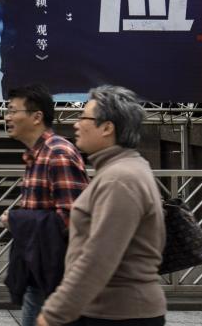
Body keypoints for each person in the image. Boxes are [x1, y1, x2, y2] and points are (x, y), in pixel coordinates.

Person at [37, 86, 166, 326]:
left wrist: (54, 314)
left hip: (119, 315)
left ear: (107, 128)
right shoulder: (123, 170)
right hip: (108, 311)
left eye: (84, 117)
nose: (76, 124)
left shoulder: (120, 179)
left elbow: (98, 258)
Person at [2, 84, 89, 326]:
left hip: (55, 277)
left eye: (12, 111)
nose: (7, 117)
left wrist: (16, 220)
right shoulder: (37, 154)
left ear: (37, 116)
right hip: (38, 271)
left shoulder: (58, 153)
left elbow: (75, 218)